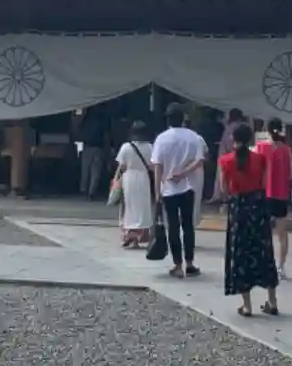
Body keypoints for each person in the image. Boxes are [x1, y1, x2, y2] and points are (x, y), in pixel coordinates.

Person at [218, 122, 280, 317]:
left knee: (241, 253)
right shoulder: (260, 159)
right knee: (264, 251)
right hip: (258, 206)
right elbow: (264, 183)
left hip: (239, 208)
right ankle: (272, 300)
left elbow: (223, 189)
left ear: (232, 139)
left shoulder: (225, 160)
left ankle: (247, 305)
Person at [151, 101, 207, 278]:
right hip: (189, 187)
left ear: (168, 119)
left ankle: (178, 265)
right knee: (188, 225)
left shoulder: (161, 139)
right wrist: (184, 173)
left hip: (168, 189)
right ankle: (190, 263)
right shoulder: (193, 137)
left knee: (173, 226)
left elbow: (157, 167)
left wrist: (157, 191)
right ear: (183, 118)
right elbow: (200, 160)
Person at [256, 117, 292, 278]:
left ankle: (263, 264)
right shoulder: (287, 150)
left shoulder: (260, 147)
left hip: (263, 194)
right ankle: (281, 267)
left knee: (262, 232)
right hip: (281, 194)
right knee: (282, 234)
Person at [113, 120, 155, 249]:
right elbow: (152, 166)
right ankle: (140, 236)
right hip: (143, 178)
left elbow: (122, 166)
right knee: (142, 207)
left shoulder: (126, 147)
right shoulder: (149, 147)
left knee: (128, 206)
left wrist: (115, 179)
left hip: (129, 178)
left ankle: (129, 234)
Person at [78, 110, 108, 200]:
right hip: (98, 148)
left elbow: (79, 132)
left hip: (87, 147)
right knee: (95, 171)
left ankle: (83, 190)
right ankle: (92, 192)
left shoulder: (85, 121)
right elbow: (106, 135)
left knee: (85, 170)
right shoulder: (102, 121)